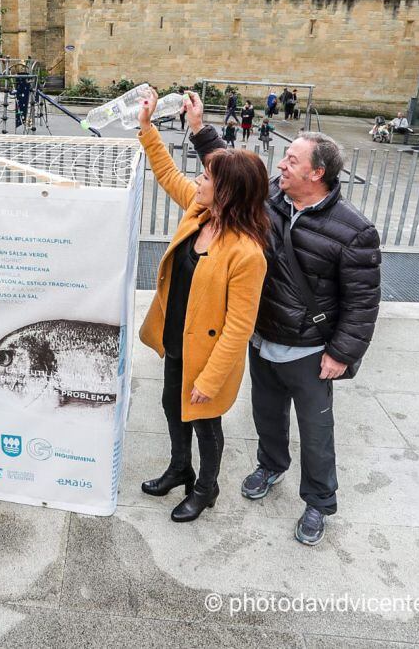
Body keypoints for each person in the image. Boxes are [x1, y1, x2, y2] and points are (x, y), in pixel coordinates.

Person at [185, 92, 381, 546]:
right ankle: (271, 465)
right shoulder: (271, 198)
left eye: (292, 161)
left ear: (318, 174)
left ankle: (318, 502)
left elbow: (363, 302)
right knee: (267, 415)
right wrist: (198, 129)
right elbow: (227, 171)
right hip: (263, 338)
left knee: (316, 432)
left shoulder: (355, 230)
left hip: (312, 351)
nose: (281, 166)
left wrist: (341, 353)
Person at [136, 90, 269, 523]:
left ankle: (206, 488)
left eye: (208, 179)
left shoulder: (247, 253)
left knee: (205, 423)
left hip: (209, 355)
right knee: (171, 406)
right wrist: (147, 127)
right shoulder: (200, 212)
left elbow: (239, 327)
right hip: (178, 338)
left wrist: (210, 380)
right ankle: (179, 468)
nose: (199, 183)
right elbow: (168, 174)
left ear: (227, 191)